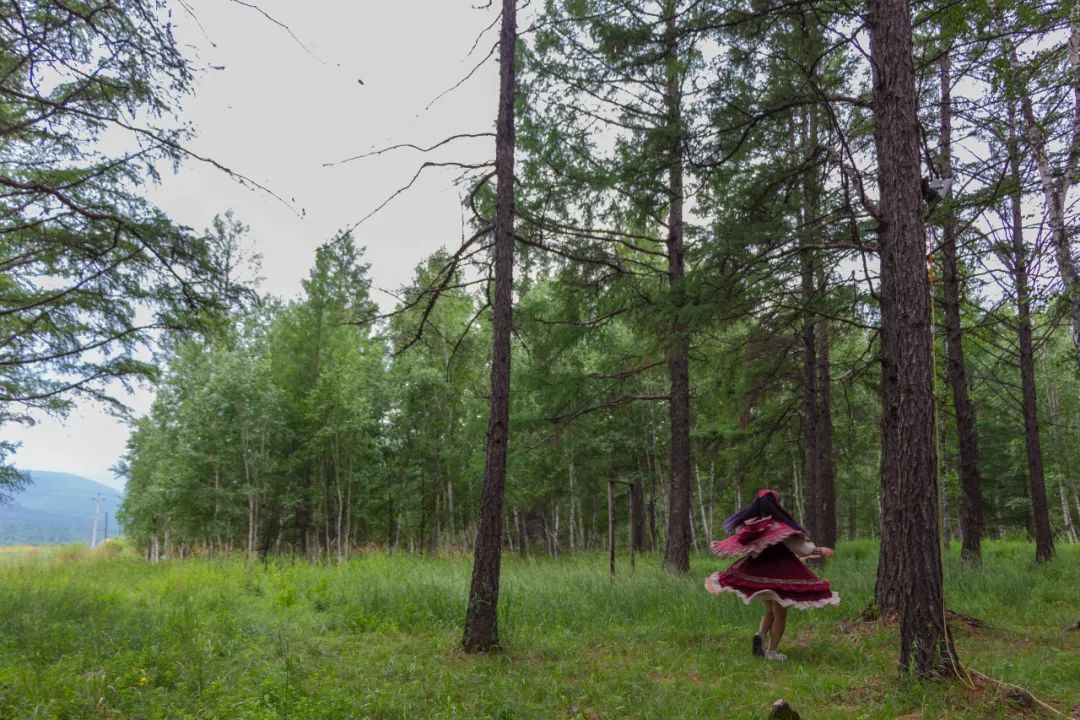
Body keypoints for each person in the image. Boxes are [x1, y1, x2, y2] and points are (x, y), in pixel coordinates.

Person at [705, 489, 839, 661]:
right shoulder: (780, 526)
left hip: (758, 572)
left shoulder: (754, 526)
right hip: (781, 573)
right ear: (776, 505)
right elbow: (800, 548)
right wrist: (819, 550)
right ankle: (771, 652)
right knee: (780, 614)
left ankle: (760, 635)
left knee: (770, 610)